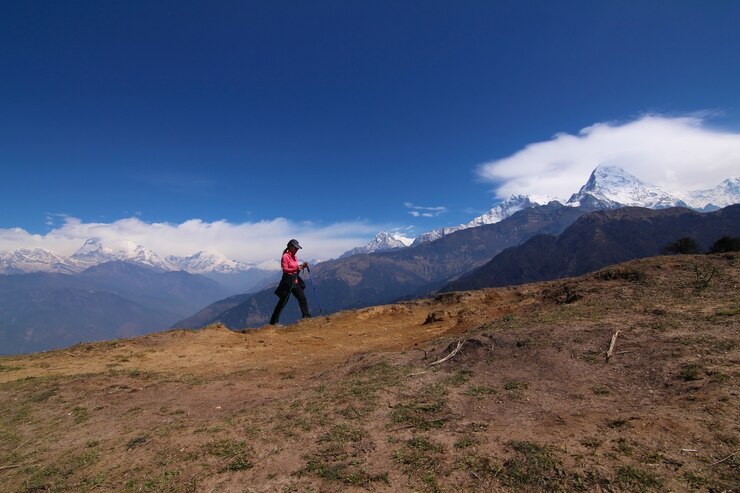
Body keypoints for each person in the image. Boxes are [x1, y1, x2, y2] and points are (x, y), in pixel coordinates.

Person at [269, 239, 311, 325]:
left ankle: (307, 317)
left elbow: (295, 268)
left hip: (294, 281)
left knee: (302, 298)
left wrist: (302, 266)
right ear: (290, 247)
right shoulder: (285, 256)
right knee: (282, 303)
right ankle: (273, 323)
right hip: (287, 282)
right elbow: (285, 269)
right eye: (295, 248)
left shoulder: (295, 257)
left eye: (297, 248)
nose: (297, 250)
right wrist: (296, 268)